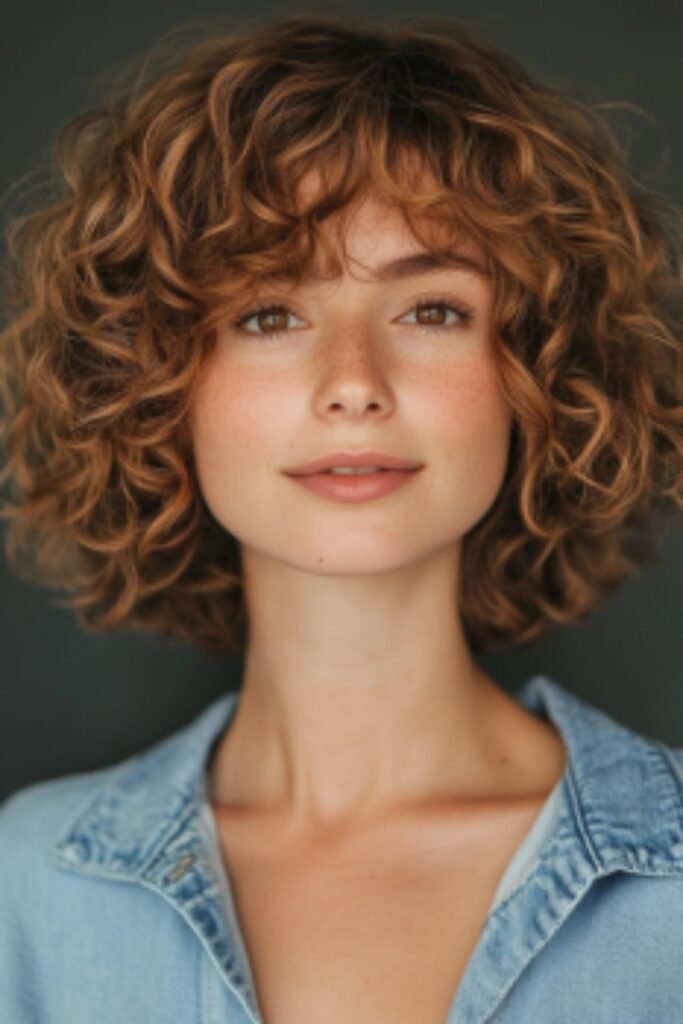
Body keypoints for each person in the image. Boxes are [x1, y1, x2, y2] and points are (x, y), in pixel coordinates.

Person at [0, 10, 682, 1023]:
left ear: (535, 373)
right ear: (156, 382)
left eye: (431, 309)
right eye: (268, 314)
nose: (352, 383)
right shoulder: (30, 887)